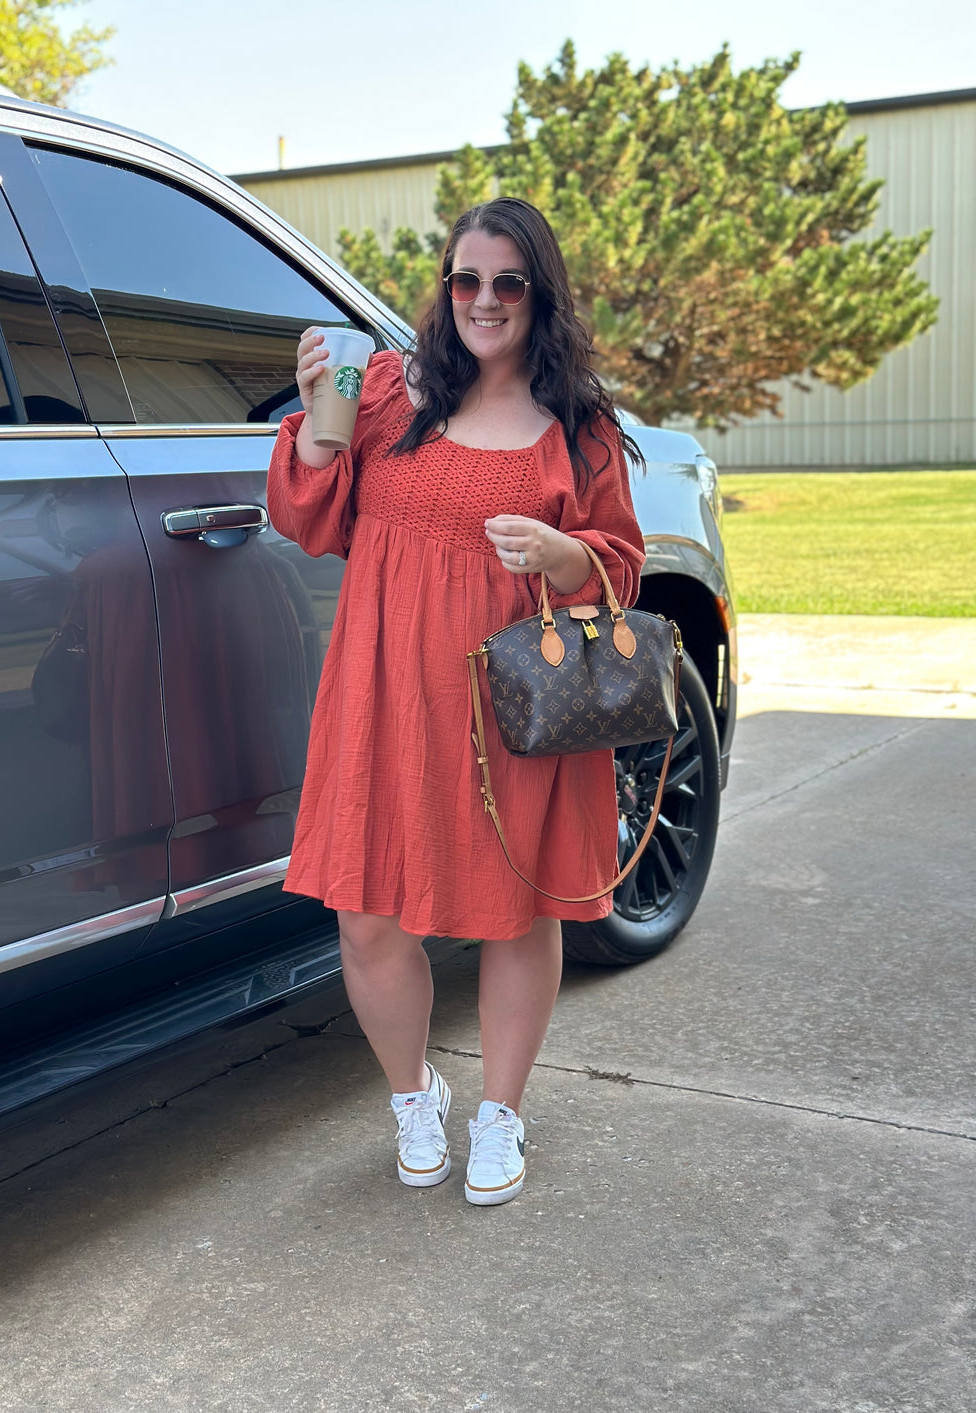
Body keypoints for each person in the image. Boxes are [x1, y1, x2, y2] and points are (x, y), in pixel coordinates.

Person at [266, 197, 646, 1206]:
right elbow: (312, 519)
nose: (483, 300)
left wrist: (567, 553)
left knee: (517, 912)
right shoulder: (390, 393)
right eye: (465, 279)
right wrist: (312, 436)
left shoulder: (578, 427)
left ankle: (503, 1114)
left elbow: (620, 565)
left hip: (511, 707)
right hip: (382, 690)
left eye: (506, 282)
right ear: (446, 289)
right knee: (366, 916)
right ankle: (412, 1094)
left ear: (538, 295)